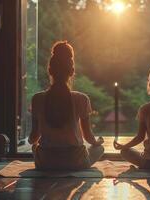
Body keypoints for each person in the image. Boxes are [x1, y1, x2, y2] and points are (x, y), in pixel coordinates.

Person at [28, 41, 104, 170]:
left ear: (50, 70)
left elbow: (33, 137)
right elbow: (88, 136)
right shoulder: (81, 99)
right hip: (75, 162)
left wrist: (33, 142)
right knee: (99, 149)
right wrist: (97, 142)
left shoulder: (37, 99)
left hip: (46, 163)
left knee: (34, 146)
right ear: (72, 71)